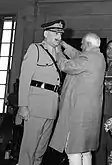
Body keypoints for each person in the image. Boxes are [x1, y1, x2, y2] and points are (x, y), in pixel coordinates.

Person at [49, 33, 106, 165]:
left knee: (73, 149)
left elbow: (66, 66)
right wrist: (64, 45)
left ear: (88, 44)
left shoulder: (88, 58)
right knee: (85, 150)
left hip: (78, 112)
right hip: (90, 112)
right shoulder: (98, 57)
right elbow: (78, 55)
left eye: (82, 43)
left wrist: (58, 51)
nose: (80, 46)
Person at [17, 19, 64, 165]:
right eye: (55, 33)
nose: (59, 37)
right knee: (28, 149)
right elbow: (25, 78)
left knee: (41, 150)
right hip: (35, 107)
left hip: (51, 108)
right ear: (45, 33)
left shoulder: (58, 54)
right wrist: (22, 106)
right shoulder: (35, 49)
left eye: (60, 34)